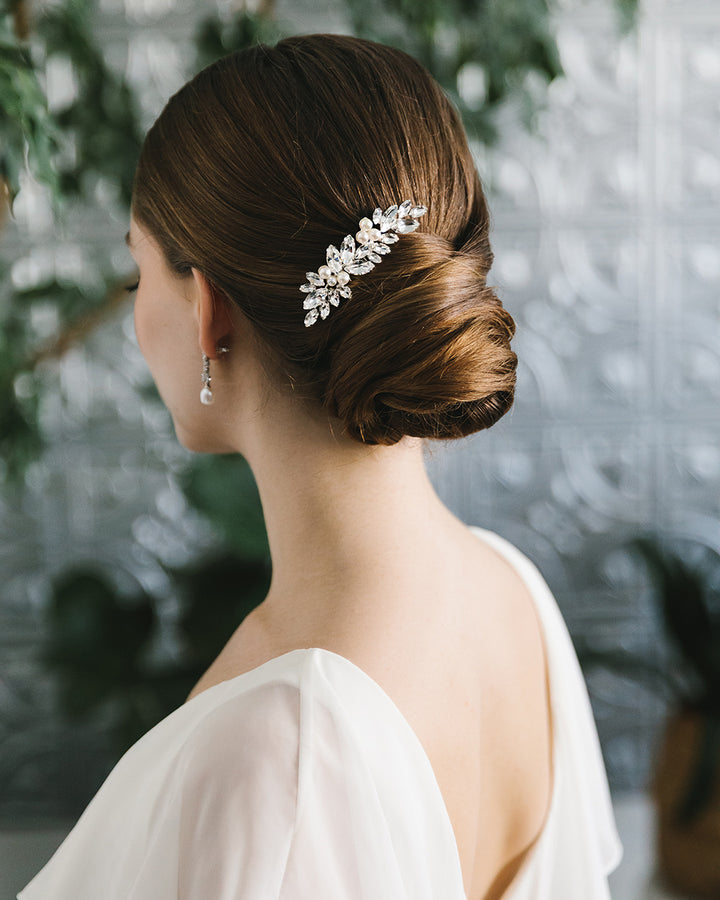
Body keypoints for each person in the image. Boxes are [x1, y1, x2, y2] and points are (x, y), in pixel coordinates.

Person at [19, 33, 622, 900]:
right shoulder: (516, 591)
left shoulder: (284, 746)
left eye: (135, 274)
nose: (133, 310)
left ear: (208, 314)